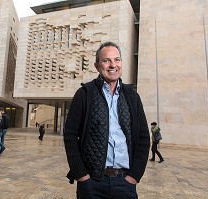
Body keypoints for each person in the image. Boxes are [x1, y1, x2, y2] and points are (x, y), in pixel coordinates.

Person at [64, 41, 150, 199]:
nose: (113, 65)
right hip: (92, 184)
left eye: (117, 60)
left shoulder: (132, 97)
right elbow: (70, 136)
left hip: (125, 183)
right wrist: (82, 176)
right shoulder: (84, 94)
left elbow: (144, 138)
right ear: (97, 66)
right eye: (106, 60)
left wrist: (134, 176)